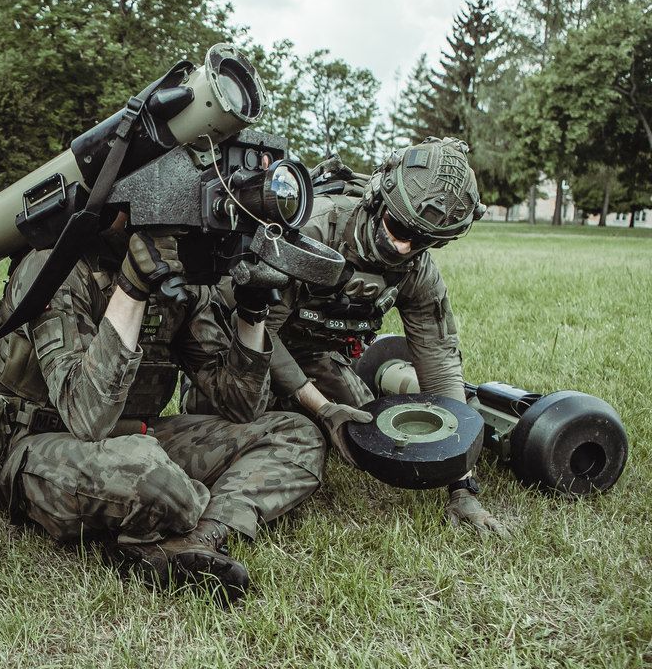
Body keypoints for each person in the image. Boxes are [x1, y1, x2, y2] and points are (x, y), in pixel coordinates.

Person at [0, 219, 326, 602]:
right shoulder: (55, 264)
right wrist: (131, 288)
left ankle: (200, 538)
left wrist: (252, 312)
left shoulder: (185, 275)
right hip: (40, 441)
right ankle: (171, 514)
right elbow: (85, 417)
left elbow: (241, 405)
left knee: (296, 434)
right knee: (155, 478)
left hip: (135, 438)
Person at [186, 137, 508, 536]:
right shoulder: (313, 229)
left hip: (315, 355)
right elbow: (259, 328)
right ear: (378, 200)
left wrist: (462, 485)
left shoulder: (417, 269)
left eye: (422, 241)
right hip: (243, 353)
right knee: (245, 425)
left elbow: (439, 362)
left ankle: (299, 406)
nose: (405, 246)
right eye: (399, 228)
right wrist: (320, 408)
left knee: (368, 429)